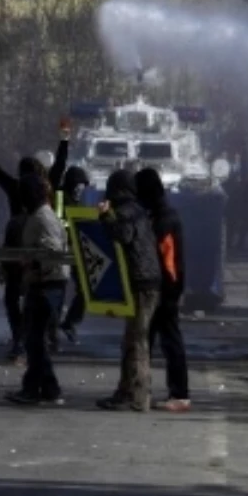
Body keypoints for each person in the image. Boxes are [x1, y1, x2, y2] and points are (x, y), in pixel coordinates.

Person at [0, 122, 69, 361]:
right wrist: (65, 139)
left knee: (13, 294)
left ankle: (18, 339)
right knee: (44, 289)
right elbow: (59, 167)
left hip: (16, 240)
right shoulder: (47, 187)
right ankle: (49, 334)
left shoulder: (15, 186)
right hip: (43, 240)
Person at [95, 169, 161, 413]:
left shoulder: (127, 212)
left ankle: (138, 396)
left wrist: (104, 217)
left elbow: (121, 235)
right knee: (131, 341)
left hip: (142, 283)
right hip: (145, 281)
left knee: (137, 342)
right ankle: (125, 391)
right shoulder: (138, 210)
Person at [5, 174, 67, 406]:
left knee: (35, 339)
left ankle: (37, 389)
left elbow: (51, 253)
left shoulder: (44, 219)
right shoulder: (39, 216)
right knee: (35, 340)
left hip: (46, 284)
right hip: (42, 283)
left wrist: (33, 265)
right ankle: (46, 389)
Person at [135, 168, 191, 413]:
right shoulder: (158, 214)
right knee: (151, 339)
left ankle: (179, 394)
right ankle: (143, 389)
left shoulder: (164, 218)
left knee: (169, 341)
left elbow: (168, 260)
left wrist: (170, 291)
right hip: (163, 287)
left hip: (165, 289)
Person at [58, 165, 90, 343]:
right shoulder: (60, 198)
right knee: (57, 288)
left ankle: (70, 322)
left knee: (84, 289)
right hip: (60, 250)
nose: (80, 191)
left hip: (76, 250)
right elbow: (60, 223)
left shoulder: (78, 201)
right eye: (78, 187)